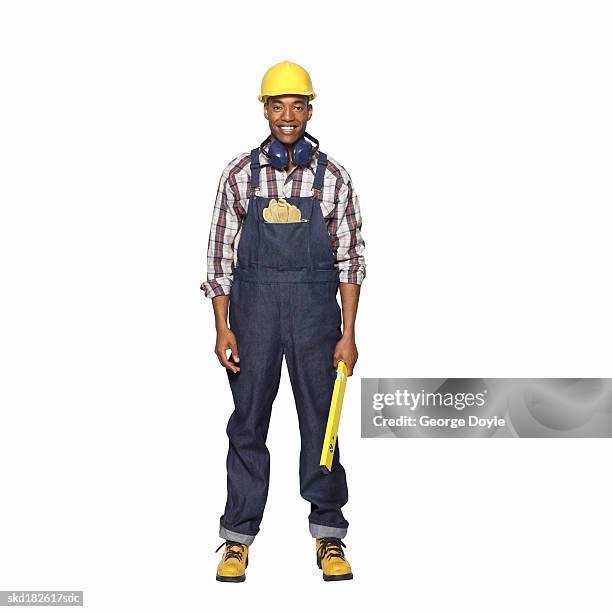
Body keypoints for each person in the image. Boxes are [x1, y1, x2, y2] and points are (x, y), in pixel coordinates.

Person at [201, 60, 366, 582]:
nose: (288, 115)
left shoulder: (332, 177)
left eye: (298, 106)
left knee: (323, 425)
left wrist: (349, 333)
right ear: (265, 110)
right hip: (253, 315)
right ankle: (237, 539)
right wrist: (223, 327)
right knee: (248, 423)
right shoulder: (240, 174)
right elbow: (219, 257)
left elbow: (350, 257)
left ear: (309, 110)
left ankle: (329, 534)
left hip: (317, 316)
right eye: (278, 106)